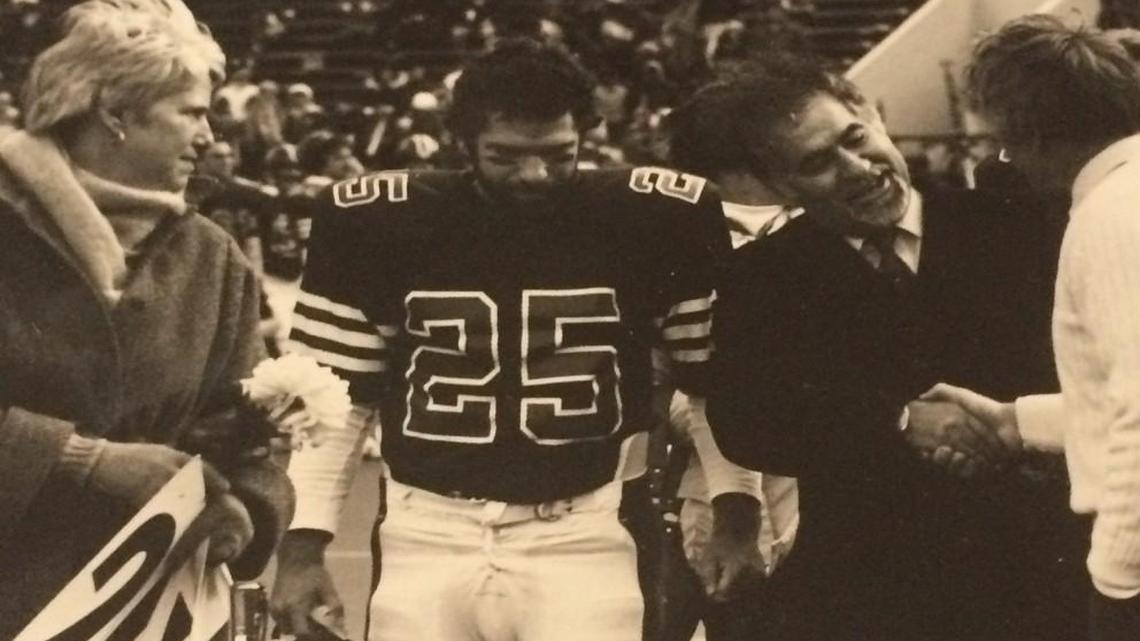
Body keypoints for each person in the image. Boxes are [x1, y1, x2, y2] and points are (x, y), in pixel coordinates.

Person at [269, 37, 728, 640]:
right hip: (424, 526)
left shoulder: (655, 216)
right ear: (463, 143)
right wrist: (302, 550)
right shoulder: (378, 221)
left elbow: (712, 386)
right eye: (506, 155)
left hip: (587, 525)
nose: (535, 174)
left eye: (559, 154)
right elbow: (335, 400)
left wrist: (735, 511)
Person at [703, 55, 1086, 641]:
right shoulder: (763, 275)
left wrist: (1010, 432)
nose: (857, 169)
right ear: (780, 184)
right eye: (818, 163)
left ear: (873, 117)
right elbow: (746, 422)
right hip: (876, 579)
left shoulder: (1025, 222)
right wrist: (897, 421)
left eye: (856, 139)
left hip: (1049, 559)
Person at [0, 0, 295, 635]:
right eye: (192, 112)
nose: (211, 137)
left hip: (158, 604)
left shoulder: (210, 255)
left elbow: (244, 420)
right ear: (116, 114)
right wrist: (83, 461)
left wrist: (245, 506)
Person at [928, 16, 1140, 641]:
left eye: (1004, 142)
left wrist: (1118, 577)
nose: (1007, 160)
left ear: (1038, 135)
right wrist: (1014, 421)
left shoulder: (1111, 216)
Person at [646, 78, 802, 641]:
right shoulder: (691, 240)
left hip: (804, 483)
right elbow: (676, 390)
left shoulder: (822, 228)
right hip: (721, 490)